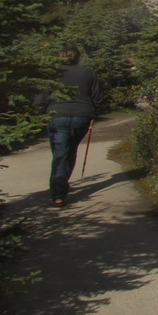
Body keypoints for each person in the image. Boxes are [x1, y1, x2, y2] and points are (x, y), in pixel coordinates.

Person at [35, 49, 102, 205]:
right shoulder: (88, 72)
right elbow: (97, 97)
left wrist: (43, 112)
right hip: (82, 117)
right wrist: (94, 110)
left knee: (60, 153)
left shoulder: (52, 74)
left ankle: (58, 194)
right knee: (70, 150)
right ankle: (62, 185)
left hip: (57, 116)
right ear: (78, 57)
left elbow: (40, 98)